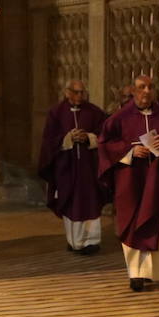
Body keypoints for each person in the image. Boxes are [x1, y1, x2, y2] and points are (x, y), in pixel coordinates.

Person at [98, 74, 159, 291]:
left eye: (150, 87)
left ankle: (150, 272)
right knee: (132, 222)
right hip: (130, 180)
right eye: (141, 87)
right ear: (133, 91)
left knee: (155, 220)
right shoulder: (119, 118)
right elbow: (105, 144)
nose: (146, 91)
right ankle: (135, 274)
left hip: (157, 179)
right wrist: (130, 150)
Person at [37, 79, 107, 254]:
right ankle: (75, 241)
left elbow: (104, 134)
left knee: (90, 202)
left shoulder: (94, 112)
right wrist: (68, 138)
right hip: (66, 167)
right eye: (76, 92)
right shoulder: (56, 113)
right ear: (67, 92)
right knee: (71, 203)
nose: (80, 96)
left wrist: (89, 137)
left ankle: (92, 241)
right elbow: (48, 140)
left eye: (82, 92)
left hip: (89, 168)